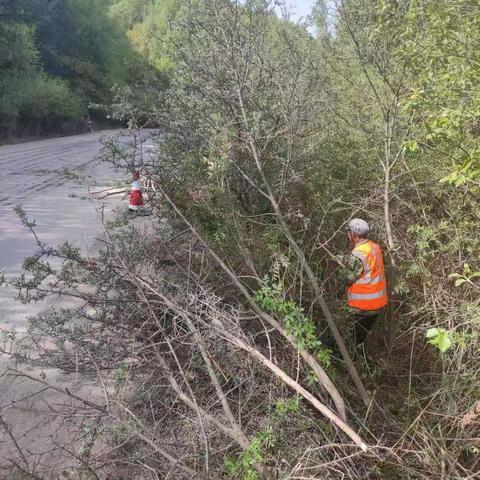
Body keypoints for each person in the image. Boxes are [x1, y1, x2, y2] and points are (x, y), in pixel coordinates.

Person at [339, 218, 388, 345]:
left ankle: (346, 360)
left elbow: (347, 278)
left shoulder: (359, 253)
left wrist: (343, 268)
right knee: (359, 337)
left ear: (354, 235)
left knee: (351, 339)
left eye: (349, 232)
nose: (347, 234)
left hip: (363, 307)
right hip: (377, 304)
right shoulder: (375, 247)